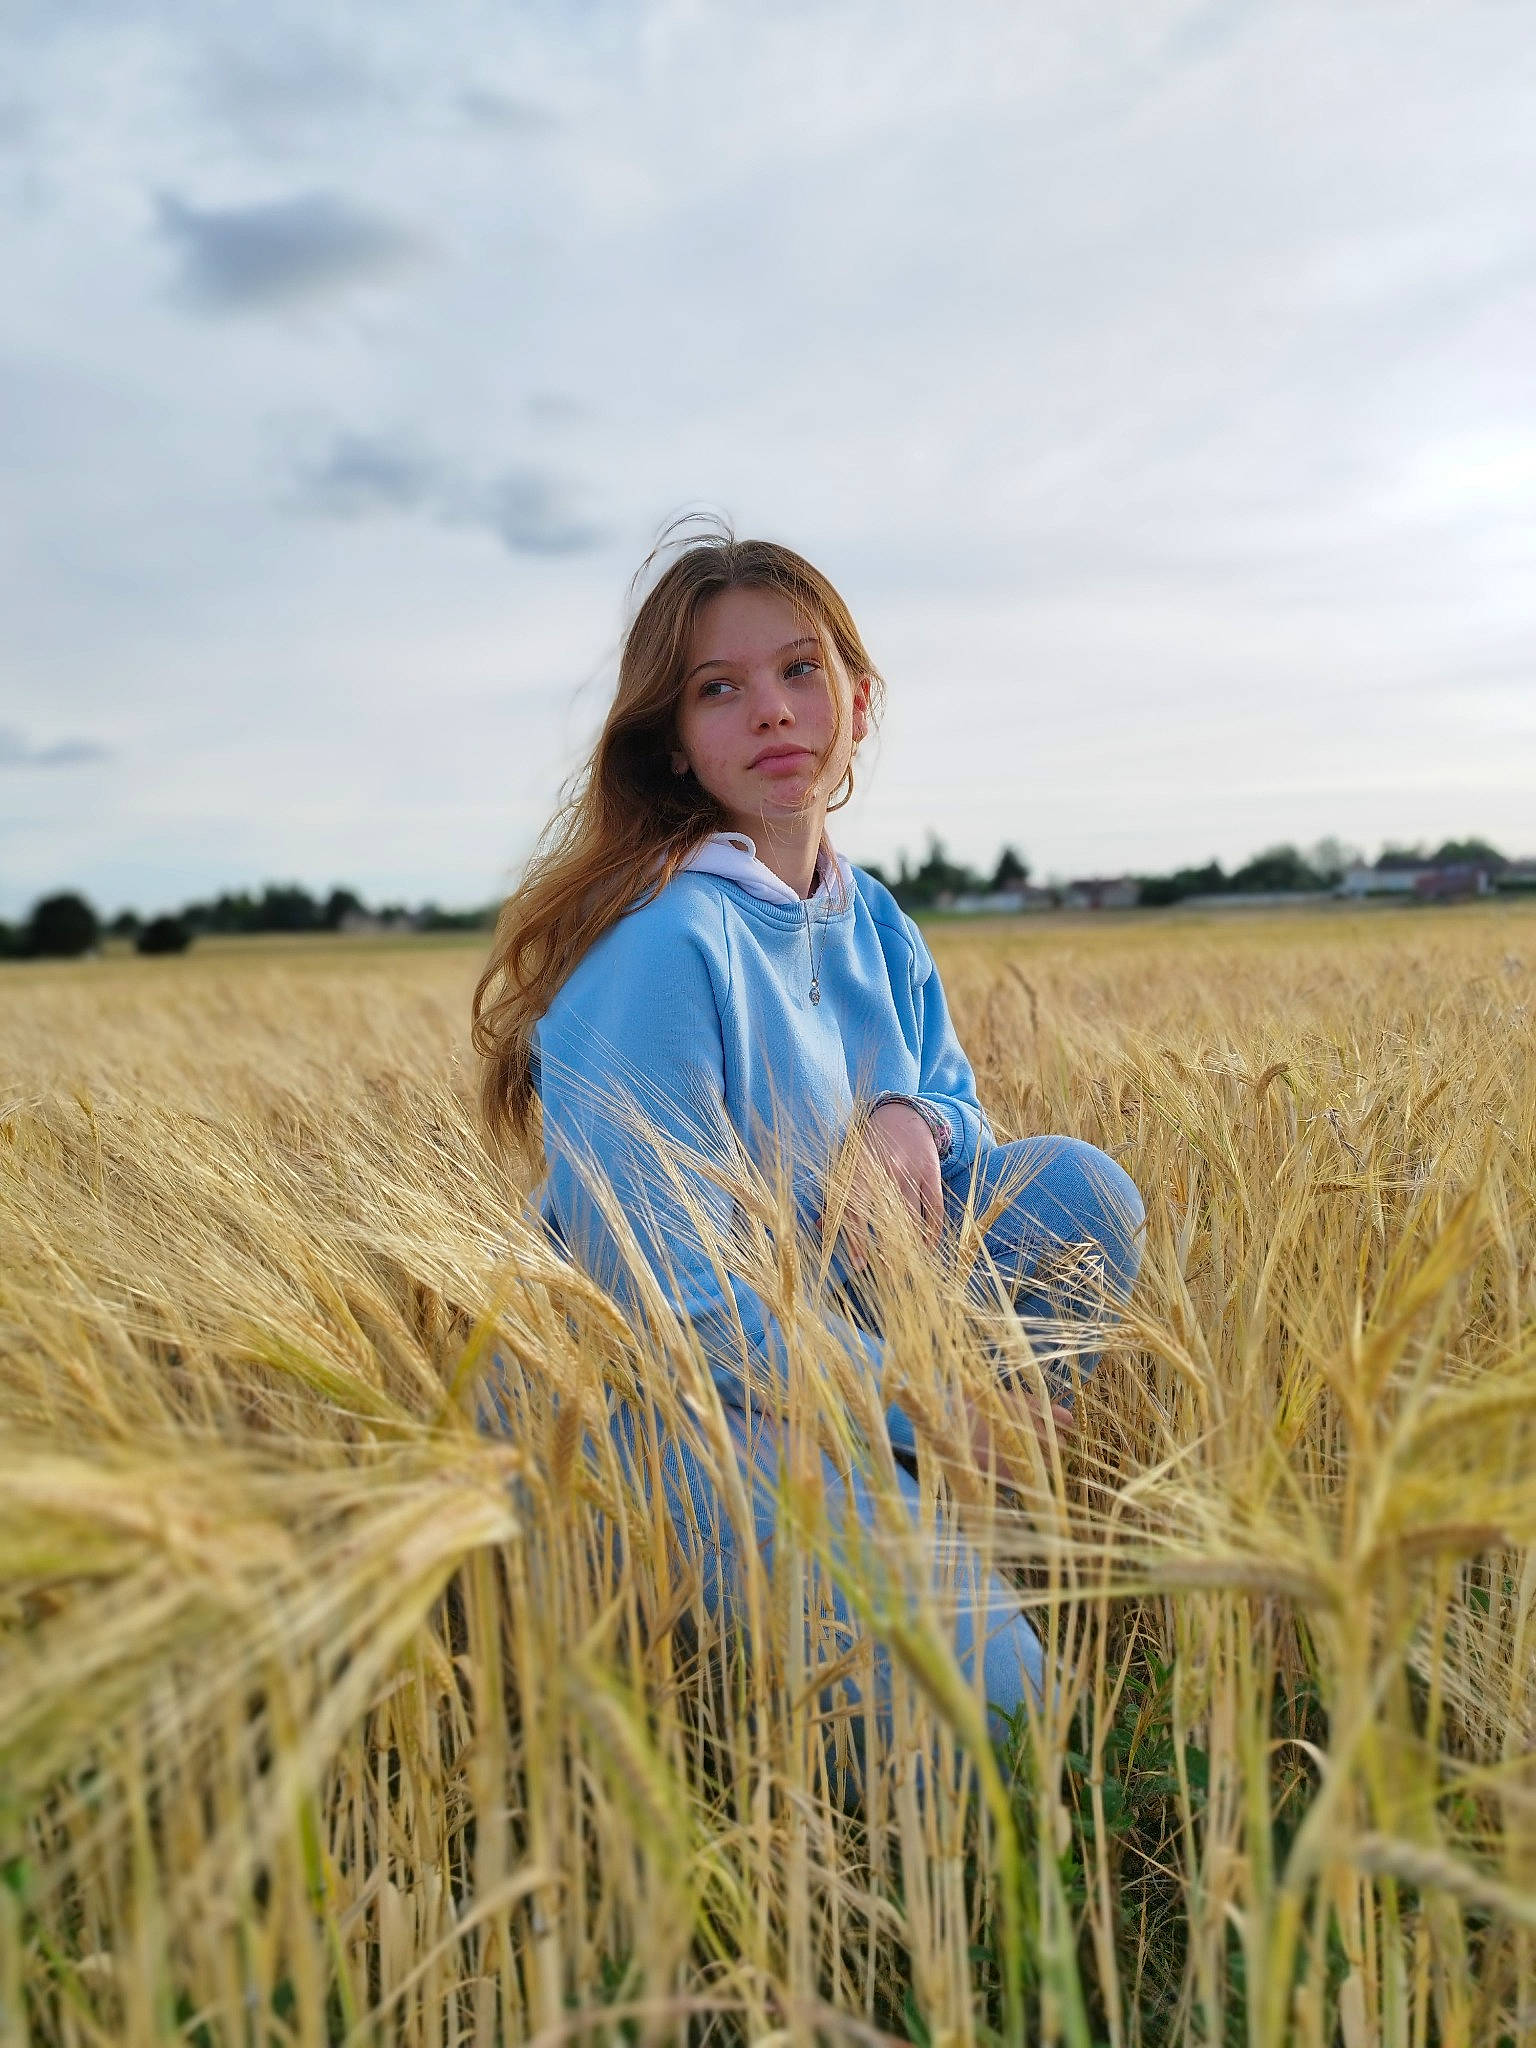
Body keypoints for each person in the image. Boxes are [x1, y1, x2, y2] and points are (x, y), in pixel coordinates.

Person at [472, 529, 1144, 1742]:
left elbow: (961, 1102)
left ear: (858, 696)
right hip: (677, 1394)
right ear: (673, 739)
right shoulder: (663, 950)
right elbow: (671, 1300)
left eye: (799, 670)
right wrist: (940, 1408)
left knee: (1074, 1192)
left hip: (840, 1323)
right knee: (999, 1732)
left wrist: (907, 1116)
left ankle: (916, 1514)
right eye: (717, 689)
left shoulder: (868, 912)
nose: (771, 712)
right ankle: (882, 1511)